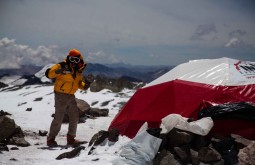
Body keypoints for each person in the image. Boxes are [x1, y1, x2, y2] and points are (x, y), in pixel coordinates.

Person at [45, 48, 92, 147]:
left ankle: (71, 138)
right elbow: (49, 74)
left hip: (71, 96)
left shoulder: (78, 71)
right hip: (60, 95)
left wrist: (86, 84)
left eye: (76, 60)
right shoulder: (62, 65)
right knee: (59, 117)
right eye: (72, 59)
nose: (73, 62)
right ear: (68, 58)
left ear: (80, 60)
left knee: (74, 116)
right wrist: (59, 71)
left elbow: (79, 84)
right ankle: (51, 139)